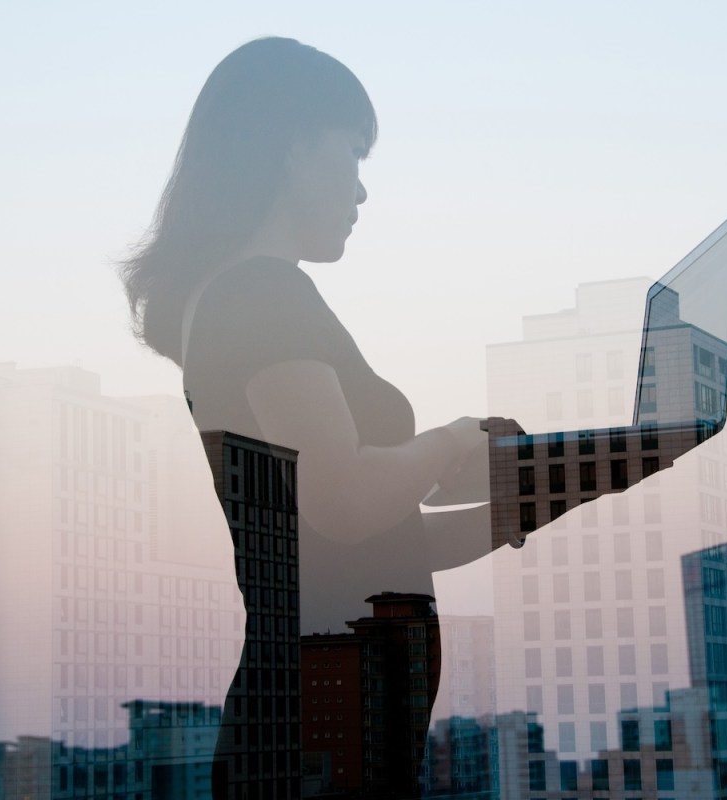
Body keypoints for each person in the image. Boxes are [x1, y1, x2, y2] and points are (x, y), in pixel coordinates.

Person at [120, 36, 489, 794]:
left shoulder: (240, 297)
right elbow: (347, 497)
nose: (361, 191)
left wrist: (541, 499)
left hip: (323, 718)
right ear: (290, 146)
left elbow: (367, 541)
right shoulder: (261, 295)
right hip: (318, 723)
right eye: (353, 154)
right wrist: (451, 439)